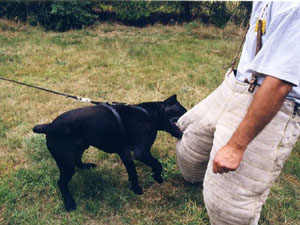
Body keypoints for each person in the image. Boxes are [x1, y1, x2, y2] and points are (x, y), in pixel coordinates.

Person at [176, 2, 300, 224]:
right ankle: (193, 183)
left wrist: (236, 146)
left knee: (228, 207)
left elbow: (280, 82)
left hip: (273, 100)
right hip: (237, 85)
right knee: (190, 144)